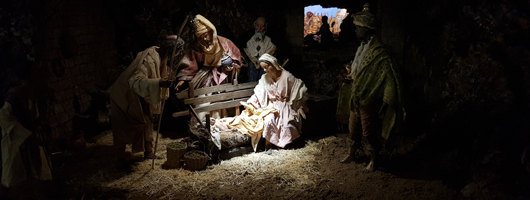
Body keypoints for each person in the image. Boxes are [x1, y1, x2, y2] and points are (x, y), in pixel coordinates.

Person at [338, 3, 404, 173]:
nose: (355, 31)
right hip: (356, 95)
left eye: (358, 28)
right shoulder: (361, 48)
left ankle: (374, 160)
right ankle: (352, 153)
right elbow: (360, 69)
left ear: (367, 29)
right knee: (353, 128)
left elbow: (385, 74)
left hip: (369, 96)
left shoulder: (379, 52)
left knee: (369, 131)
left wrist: (378, 90)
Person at [109, 35, 184, 171]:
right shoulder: (148, 59)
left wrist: (168, 73)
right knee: (123, 126)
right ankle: (120, 160)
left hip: (139, 96)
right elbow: (135, 81)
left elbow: (160, 69)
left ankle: (148, 152)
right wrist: (160, 82)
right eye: (178, 52)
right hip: (125, 94)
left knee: (148, 120)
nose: (178, 55)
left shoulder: (161, 55)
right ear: (171, 50)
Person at [0, 60, 53, 197]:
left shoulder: (34, 92)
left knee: (36, 174)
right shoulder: (14, 97)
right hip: (15, 142)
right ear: (29, 74)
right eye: (36, 72)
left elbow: (34, 117)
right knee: (12, 176)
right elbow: (5, 119)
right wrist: (28, 137)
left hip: (31, 140)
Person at [176, 14, 242, 120]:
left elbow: (236, 60)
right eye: (202, 37)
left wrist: (231, 67)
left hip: (222, 75)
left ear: (212, 31)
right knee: (202, 98)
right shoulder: (198, 46)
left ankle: (218, 122)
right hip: (205, 75)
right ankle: (201, 122)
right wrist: (183, 78)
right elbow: (190, 61)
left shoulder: (224, 43)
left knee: (220, 99)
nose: (205, 38)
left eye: (206, 35)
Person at [246, 53, 309, 154]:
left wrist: (299, 105)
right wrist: (251, 103)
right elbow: (259, 92)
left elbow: (298, 90)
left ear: (273, 64)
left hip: (285, 105)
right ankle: (268, 145)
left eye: (267, 67)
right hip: (271, 106)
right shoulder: (264, 78)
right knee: (269, 120)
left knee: (288, 122)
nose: (266, 70)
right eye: (263, 68)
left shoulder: (287, 76)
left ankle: (295, 142)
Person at [242, 17, 276, 82]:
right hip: (251, 71)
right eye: (257, 25)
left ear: (265, 27)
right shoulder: (249, 41)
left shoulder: (269, 42)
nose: (259, 28)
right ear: (254, 26)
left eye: (262, 26)